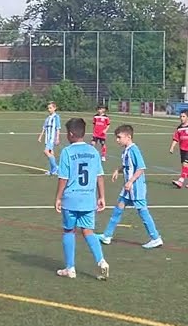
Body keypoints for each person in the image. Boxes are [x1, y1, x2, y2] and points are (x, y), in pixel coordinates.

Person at [54, 118, 109, 280]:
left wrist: (58, 198)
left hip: (71, 199)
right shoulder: (93, 151)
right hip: (88, 199)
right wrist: (102, 196)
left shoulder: (67, 152)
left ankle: (70, 268)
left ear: (71, 134)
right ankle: (102, 261)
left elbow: (63, 178)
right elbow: (100, 175)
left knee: (69, 231)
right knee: (88, 231)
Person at [99, 124, 163, 249]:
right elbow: (127, 166)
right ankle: (107, 235)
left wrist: (130, 181)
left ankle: (155, 238)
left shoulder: (134, 150)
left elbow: (140, 168)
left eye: (119, 137)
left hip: (136, 188)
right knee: (118, 209)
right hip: (128, 189)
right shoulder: (126, 150)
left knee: (143, 212)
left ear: (128, 137)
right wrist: (118, 170)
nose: (117, 140)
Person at [37, 101, 61, 175]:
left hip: (52, 138)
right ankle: (52, 171)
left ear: (54, 108)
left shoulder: (56, 117)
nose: (49, 109)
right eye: (48, 108)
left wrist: (57, 138)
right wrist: (40, 136)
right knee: (51, 153)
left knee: (46, 151)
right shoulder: (48, 118)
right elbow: (44, 128)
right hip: (47, 138)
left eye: (50, 108)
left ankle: (56, 167)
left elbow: (58, 128)